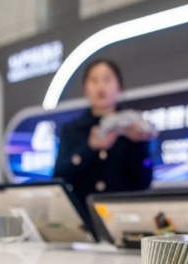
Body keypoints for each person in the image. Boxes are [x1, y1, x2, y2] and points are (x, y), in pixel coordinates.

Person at [54, 59, 157, 209]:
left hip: (123, 213)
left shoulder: (132, 127)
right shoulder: (73, 129)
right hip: (85, 214)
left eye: (107, 79)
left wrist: (139, 144)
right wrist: (90, 149)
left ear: (119, 87)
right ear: (85, 89)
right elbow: (60, 176)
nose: (101, 86)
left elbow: (143, 182)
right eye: (94, 80)